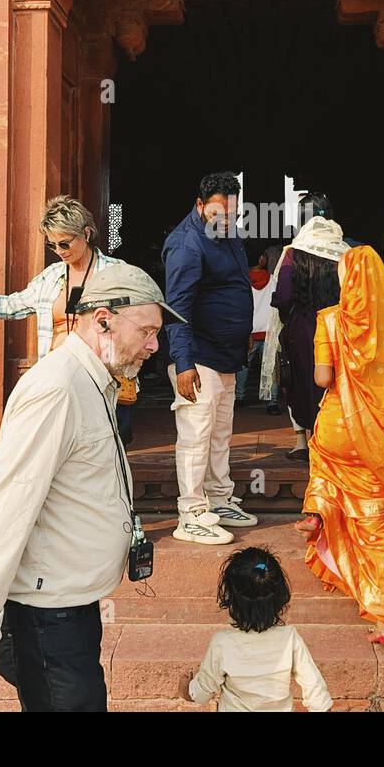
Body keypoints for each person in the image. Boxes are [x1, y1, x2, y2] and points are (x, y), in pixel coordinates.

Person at [0, 264, 183, 711]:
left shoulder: (96, 381)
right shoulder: (58, 388)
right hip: (47, 614)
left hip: (69, 604)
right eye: (148, 331)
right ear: (104, 319)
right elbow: (3, 517)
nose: (154, 345)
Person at [294, 245, 384, 644]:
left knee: (322, 458)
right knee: (380, 524)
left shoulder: (330, 320)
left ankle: (318, 510)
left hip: (339, 424)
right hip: (379, 435)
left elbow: (322, 378)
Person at [0, 195, 136, 444]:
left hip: (103, 380)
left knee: (104, 451)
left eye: (64, 244)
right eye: (52, 246)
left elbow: (138, 324)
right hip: (58, 380)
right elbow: (11, 306)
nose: (59, 251)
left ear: (87, 233)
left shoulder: (116, 272)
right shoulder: (52, 276)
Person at [162, 172, 258, 545]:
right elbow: (178, 308)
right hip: (198, 356)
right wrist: (183, 363)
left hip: (226, 355)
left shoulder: (229, 232)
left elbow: (235, 286)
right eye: (218, 213)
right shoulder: (186, 245)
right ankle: (191, 514)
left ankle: (218, 499)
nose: (225, 220)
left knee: (220, 435)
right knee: (195, 437)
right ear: (200, 205)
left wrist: (242, 336)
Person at [178, 547, 333, 713]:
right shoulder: (290, 638)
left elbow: (200, 695)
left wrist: (185, 687)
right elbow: (319, 699)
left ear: (231, 598)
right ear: (280, 595)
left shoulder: (222, 643)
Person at [262, 207, 346, 461]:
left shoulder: (293, 256)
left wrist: (291, 317)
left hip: (301, 328)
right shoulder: (342, 255)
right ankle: (333, 441)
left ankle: (305, 442)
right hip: (337, 327)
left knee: (300, 383)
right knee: (336, 384)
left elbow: (284, 295)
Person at [235, 242, 281, 407]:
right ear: (262, 259)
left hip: (248, 332)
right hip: (269, 331)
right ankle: (272, 401)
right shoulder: (273, 280)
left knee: (243, 366)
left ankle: (238, 397)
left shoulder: (242, 280)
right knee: (269, 368)